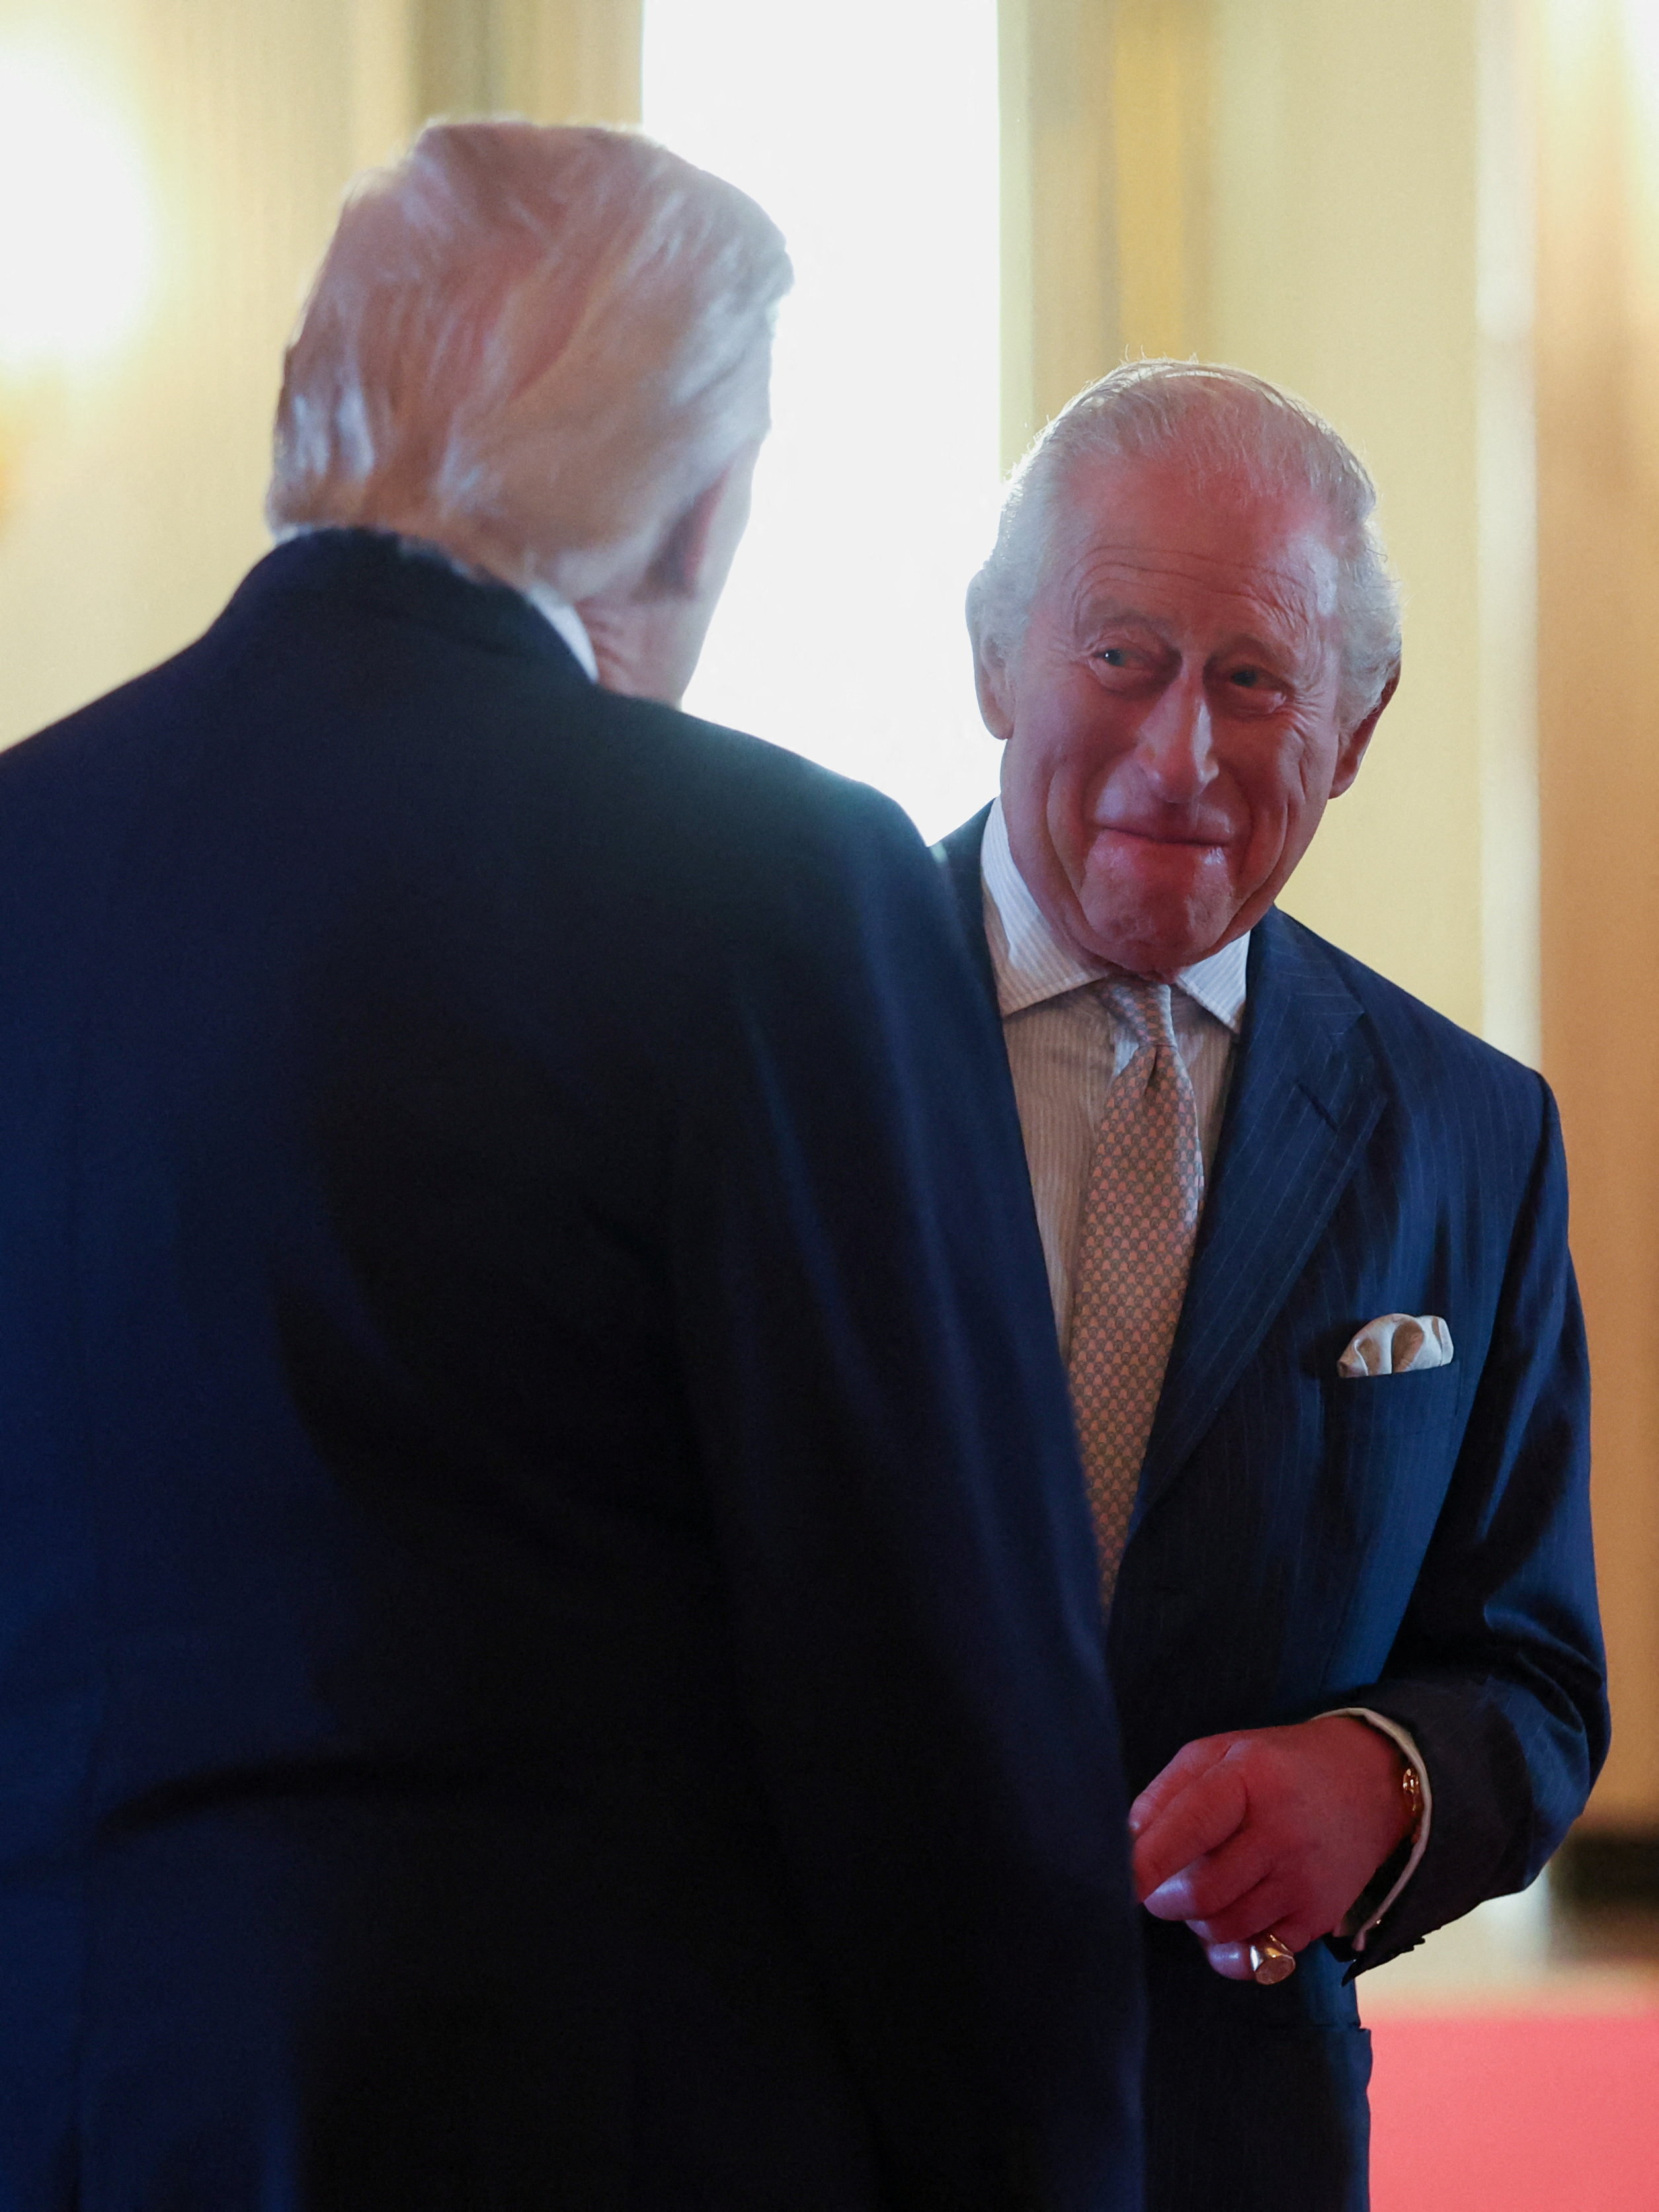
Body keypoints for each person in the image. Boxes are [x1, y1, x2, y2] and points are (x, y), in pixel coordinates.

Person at [0, 124, 1145, 2209]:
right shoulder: (769, 882)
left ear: (299, 409)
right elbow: (933, 1683)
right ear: (700, 510)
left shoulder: (26, 849)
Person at [935, 359, 1608, 2212]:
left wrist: (1382, 1781)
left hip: (1226, 2134)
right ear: (995, 660)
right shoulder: (773, 1039)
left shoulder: (1470, 1134)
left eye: (1254, 680)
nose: (1184, 756)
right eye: (1123, 656)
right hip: (806, 2097)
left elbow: (1539, 1680)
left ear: (1360, 722)